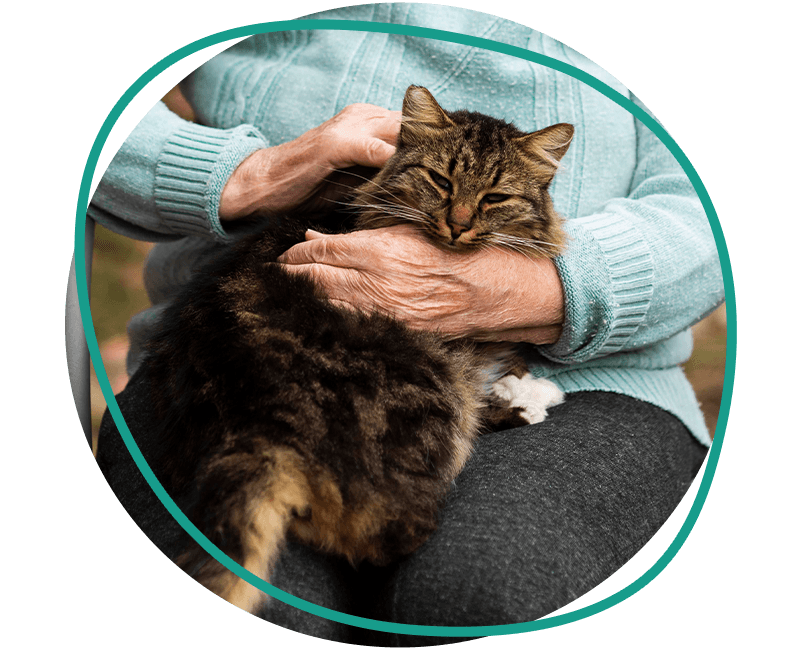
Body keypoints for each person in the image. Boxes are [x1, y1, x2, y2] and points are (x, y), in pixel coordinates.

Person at [91, 3, 723, 646]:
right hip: (225, 355)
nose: (458, 221)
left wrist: (541, 289)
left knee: (480, 594)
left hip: (594, 384)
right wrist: (239, 174)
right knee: (267, 599)